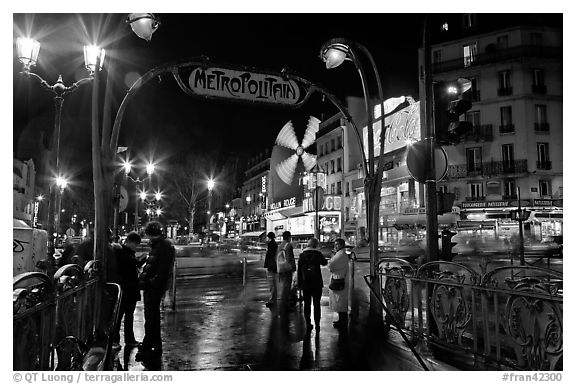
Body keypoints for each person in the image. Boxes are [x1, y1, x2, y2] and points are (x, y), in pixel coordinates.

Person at [135, 221, 175, 363]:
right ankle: (149, 344)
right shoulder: (159, 246)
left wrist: (150, 283)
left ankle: (154, 347)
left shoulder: (162, 247)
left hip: (153, 288)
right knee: (150, 318)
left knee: (152, 318)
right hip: (151, 287)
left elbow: (162, 271)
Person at [112, 232, 143, 349]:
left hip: (129, 289)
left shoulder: (126, 253)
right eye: (136, 244)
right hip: (126, 289)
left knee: (127, 316)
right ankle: (118, 340)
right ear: (130, 242)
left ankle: (126, 340)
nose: (136, 247)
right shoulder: (123, 253)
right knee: (121, 316)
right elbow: (127, 269)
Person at [297, 237, 327, 333]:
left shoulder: (302, 255)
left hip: (306, 283)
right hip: (317, 282)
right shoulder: (318, 254)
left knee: (307, 304)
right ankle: (317, 323)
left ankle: (308, 323)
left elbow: (299, 271)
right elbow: (324, 263)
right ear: (316, 245)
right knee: (317, 304)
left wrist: (299, 283)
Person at [327, 238, 349, 329]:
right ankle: (341, 320)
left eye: (337, 245)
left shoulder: (341, 255)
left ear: (341, 245)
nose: (335, 246)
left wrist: (331, 259)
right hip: (338, 278)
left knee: (341, 302)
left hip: (339, 279)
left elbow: (331, 265)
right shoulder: (340, 254)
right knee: (340, 302)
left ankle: (343, 321)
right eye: (335, 245)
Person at [276, 231, 296, 317]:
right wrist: (293, 267)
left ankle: (283, 306)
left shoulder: (280, 245)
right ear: (289, 237)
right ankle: (284, 307)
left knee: (283, 287)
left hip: (280, 268)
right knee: (286, 288)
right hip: (287, 269)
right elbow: (290, 258)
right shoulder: (288, 245)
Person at [263, 232, 278, 308]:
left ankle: (273, 299)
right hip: (272, 267)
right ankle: (273, 299)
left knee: (272, 284)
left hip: (272, 268)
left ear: (269, 238)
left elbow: (271, 257)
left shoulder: (272, 245)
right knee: (273, 284)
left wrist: (270, 267)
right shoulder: (272, 245)